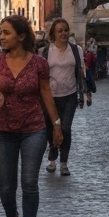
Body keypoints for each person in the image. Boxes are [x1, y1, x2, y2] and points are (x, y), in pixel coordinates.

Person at [0, 15, 63, 217]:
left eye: (6, 33)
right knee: (6, 186)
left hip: (33, 129)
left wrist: (56, 124)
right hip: (3, 130)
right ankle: (11, 216)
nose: (2, 37)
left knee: (29, 182)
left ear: (21, 36)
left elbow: (46, 93)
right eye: (1, 33)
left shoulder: (39, 64)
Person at [41, 19, 90, 176]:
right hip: (51, 97)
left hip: (69, 95)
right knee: (51, 128)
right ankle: (53, 157)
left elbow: (82, 72)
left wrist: (87, 91)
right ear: (53, 33)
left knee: (65, 128)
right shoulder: (46, 52)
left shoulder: (76, 50)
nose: (63, 33)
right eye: (60, 30)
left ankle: (63, 162)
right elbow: (41, 76)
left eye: (66, 30)